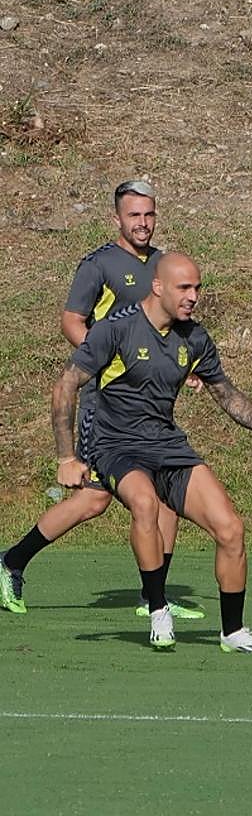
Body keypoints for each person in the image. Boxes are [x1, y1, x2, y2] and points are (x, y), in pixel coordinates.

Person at [48, 252, 252, 652]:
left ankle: (232, 631)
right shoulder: (116, 331)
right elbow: (65, 385)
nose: (194, 296)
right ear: (158, 287)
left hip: (167, 445)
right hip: (115, 445)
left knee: (231, 529)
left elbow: (229, 396)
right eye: (184, 287)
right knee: (145, 504)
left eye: (198, 288)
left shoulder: (195, 338)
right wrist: (67, 457)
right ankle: (157, 608)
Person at [1, 181, 201, 620]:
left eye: (149, 214)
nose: (143, 223)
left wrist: (180, 369)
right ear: (117, 219)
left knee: (166, 494)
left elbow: (167, 332)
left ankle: (156, 599)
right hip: (103, 401)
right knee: (96, 499)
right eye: (134, 216)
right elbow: (71, 321)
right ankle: (12, 561)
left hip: (146, 403)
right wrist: (107, 361)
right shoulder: (99, 265)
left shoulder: (163, 266)